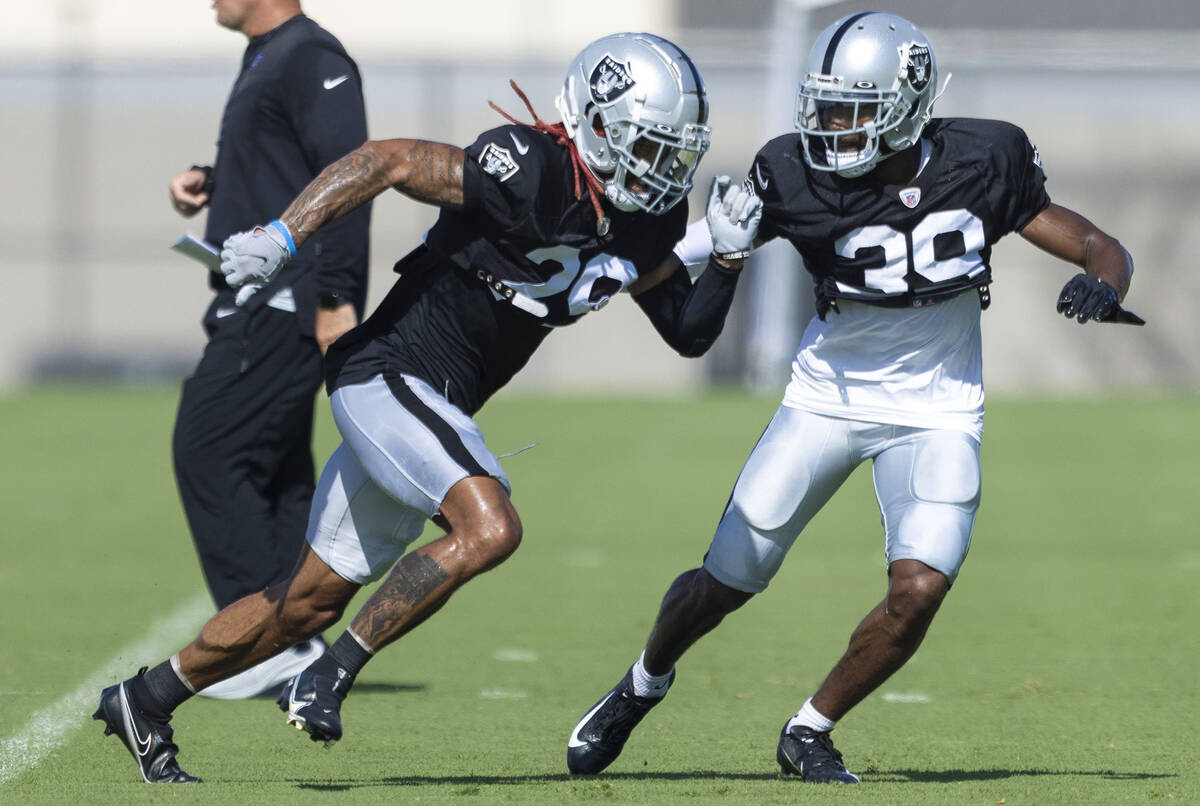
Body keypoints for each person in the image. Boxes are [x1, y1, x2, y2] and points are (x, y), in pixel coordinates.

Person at [93, 32, 762, 783]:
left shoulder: (644, 221)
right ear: (597, 123)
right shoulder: (528, 166)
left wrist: (730, 258)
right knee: (491, 525)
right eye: (649, 145)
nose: (663, 170)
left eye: (674, 152)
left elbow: (687, 332)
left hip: (429, 408)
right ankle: (333, 672)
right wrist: (283, 235)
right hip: (385, 374)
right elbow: (387, 160)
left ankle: (146, 698)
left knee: (303, 604)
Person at [566, 11, 1142, 784]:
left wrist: (1103, 282)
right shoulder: (795, 170)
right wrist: (608, 263)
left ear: (907, 103)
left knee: (921, 588)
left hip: (937, 407)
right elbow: (697, 241)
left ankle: (810, 730)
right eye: (824, 104)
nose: (831, 124)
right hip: (826, 398)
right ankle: (642, 684)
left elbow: (1098, 242)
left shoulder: (985, 156)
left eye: (853, 108)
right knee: (730, 576)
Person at [166, 0, 370, 699]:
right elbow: (285, 169)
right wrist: (213, 180)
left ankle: (257, 643)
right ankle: (294, 636)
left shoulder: (311, 56)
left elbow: (350, 176)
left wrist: (337, 295)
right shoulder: (267, 55)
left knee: (208, 446)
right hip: (258, 301)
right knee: (279, 475)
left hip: (284, 302)